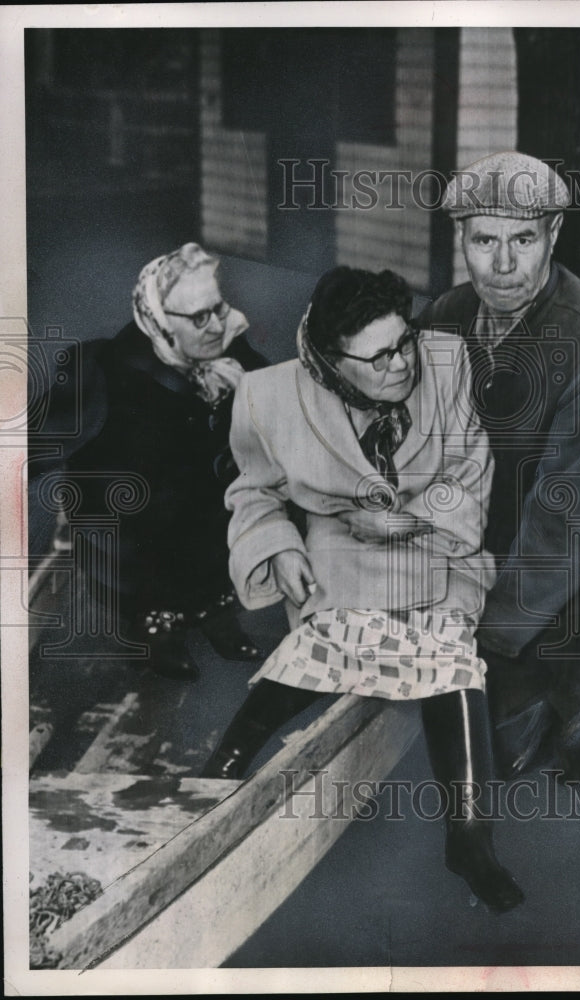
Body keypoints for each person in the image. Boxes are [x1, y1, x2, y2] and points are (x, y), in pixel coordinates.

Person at [202, 265, 524, 914]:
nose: (400, 364)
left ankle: (469, 835)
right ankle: (219, 770)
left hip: (436, 545)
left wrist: (415, 515)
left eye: (403, 341)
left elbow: (471, 466)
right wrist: (280, 549)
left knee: (449, 655)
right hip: (340, 553)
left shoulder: (445, 359)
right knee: (331, 637)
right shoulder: (268, 397)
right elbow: (252, 495)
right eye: (377, 358)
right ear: (328, 357)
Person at [419, 151, 580, 782]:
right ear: (462, 238)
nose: (503, 264)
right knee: (504, 758)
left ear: (553, 236)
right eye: (484, 239)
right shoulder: (442, 320)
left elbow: (573, 522)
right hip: (505, 560)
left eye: (523, 239)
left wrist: (475, 627)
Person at [32, 242, 268, 680]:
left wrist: (245, 394)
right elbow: (35, 442)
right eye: (200, 317)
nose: (218, 326)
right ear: (161, 321)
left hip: (207, 528)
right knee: (153, 584)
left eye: (219, 309)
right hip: (135, 539)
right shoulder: (103, 370)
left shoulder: (233, 355)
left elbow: (279, 414)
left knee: (217, 559)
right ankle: (156, 631)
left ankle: (217, 617)